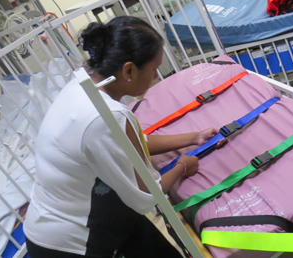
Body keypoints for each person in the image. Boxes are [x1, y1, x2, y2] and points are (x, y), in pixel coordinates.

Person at [24, 16, 223, 258]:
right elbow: (148, 197)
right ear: (129, 70)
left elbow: (130, 146)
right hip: (71, 243)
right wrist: (182, 166)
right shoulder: (104, 116)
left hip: (86, 213)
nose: (157, 76)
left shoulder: (81, 87)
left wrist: (193, 137)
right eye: (154, 69)